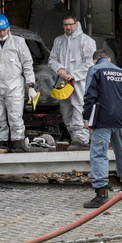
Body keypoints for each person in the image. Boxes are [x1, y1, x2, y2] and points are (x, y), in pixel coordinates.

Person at [82, 49, 122, 208]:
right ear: (108, 58)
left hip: (101, 119)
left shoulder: (95, 70)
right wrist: (121, 112)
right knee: (121, 151)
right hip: (119, 119)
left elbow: (89, 95)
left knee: (99, 153)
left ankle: (101, 194)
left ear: (95, 61)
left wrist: (87, 117)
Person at [0, 14, 35, 152]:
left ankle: (18, 148)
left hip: (14, 87)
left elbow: (27, 65)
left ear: (9, 28)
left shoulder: (18, 42)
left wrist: (31, 86)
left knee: (15, 118)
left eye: (4, 30)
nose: (2, 33)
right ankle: (1, 147)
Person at [48, 13, 97, 150]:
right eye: (65, 25)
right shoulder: (59, 41)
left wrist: (74, 75)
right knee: (66, 111)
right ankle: (74, 140)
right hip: (63, 82)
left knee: (79, 109)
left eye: (70, 24)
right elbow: (52, 60)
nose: (68, 27)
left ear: (76, 24)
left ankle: (81, 140)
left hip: (79, 82)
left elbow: (90, 63)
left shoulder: (86, 41)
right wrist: (60, 70)